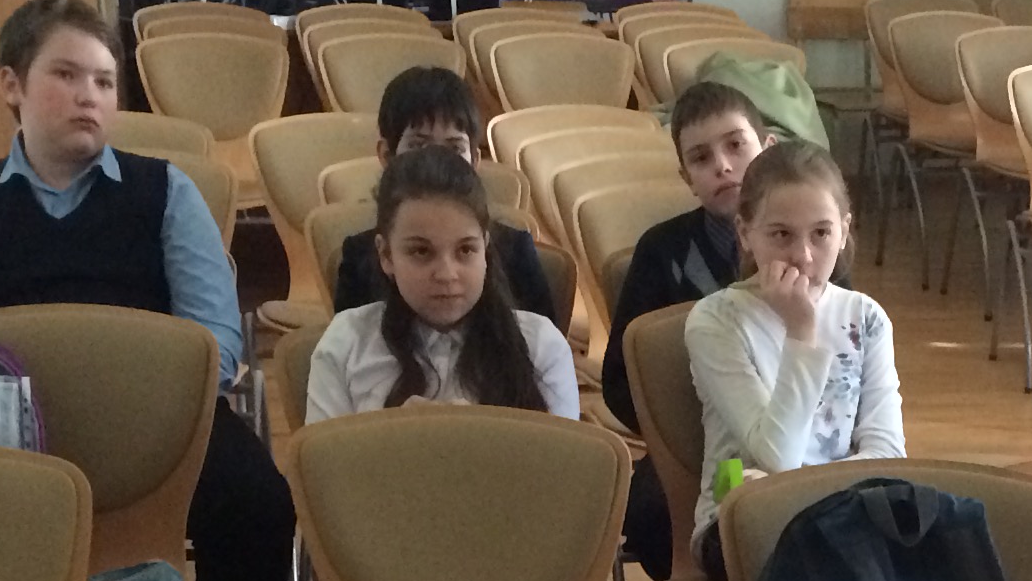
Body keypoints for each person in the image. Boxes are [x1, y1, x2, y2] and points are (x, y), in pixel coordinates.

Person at [0, 0, 292, 581]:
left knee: (260, 505)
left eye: (104, 81)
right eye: (66, 75)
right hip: (22, 432)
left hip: (165, 421)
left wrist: (150, 408)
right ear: (12, 84)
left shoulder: (166, 191)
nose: (89, 96)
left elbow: (215, 340)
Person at [684, 139, 904, 581]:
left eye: (821, 233)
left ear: (844, 230)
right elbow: (779, 458)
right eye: (781, 235)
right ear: (745, 233)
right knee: (849, 571)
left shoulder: (866, 318)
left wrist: (815, 489)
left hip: (845, 518)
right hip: (741, 526)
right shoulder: (715, 321)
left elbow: (887, 455)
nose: (803, 256)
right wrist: (801, 331)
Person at [306, 148, 580, 421]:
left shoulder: (541, 346)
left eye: (465, 250)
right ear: (386, 255)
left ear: (485, 249)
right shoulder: (346, 344)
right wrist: (395, 436)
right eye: (421, 252)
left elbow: (562, 450)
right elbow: (325, 450)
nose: (447, 274)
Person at [327, 65, 569, 336]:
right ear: (386, 155)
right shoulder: (360, 257)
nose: (437, 159)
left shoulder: (515, 252)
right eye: (418, 146)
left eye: (455, 148)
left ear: (475, 160)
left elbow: (541, 345)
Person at [601, 80, 778, 432]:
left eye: (736, 145)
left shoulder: (809, 239)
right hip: (697, 441)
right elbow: (621, 382)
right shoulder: (660, 250)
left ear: (769, 151)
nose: (722, 166)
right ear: (688, 180)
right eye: (701, 158)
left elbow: (847, 353)